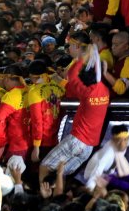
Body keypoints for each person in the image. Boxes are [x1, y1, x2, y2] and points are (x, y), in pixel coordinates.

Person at [39, 40, 110, 183]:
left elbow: (71, 74)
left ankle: (43, 198)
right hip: (89, 147)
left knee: (45, 167)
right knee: (60, 174)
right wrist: (95, 58)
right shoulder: (105, 91)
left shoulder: (86, 92)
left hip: (77, 140)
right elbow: (98, 74)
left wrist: (82, 58)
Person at [27, 59, 65, 161]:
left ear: (31, 76)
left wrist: (36, 146)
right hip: (58, 135)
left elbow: (37, 121)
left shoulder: (34, 92)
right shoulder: (58, 85)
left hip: (43, 139)